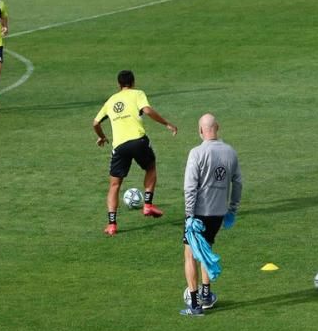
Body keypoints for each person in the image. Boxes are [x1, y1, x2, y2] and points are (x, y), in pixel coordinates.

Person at [92, 70, 178, 235]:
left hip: (119, 147)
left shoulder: (111, 101)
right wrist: (167, 123)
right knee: (151, 167)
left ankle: (112, 224)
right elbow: (147, 110)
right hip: (138, 141)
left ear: (118, 84)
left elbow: (95, 123)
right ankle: (147, 205)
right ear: (133, 82)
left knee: (114, 185)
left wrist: (102, 137)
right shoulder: (138, 94)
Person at [181, 113, 243, 317]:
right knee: (206, 250)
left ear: (200, 130)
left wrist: (189, 215)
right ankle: (207, 295)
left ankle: (195, 304)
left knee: (190, 255)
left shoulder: (197, 153)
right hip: (218, 213)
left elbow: (190, 187)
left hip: (198, 213)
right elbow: (238, 184)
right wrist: (232, 210)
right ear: (218, 127)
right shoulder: (230, 152)